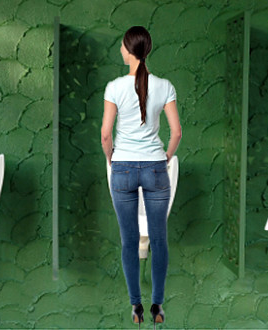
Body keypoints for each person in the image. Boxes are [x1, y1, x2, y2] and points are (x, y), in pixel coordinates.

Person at [101, 26, 182, 328]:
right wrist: (166, 156)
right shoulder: (165, 86)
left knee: (129, 240)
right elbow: (176, 133)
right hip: (155, 168)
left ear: (128, 49)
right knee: (159, 239)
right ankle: (157, 305)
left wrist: (113, 160)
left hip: (122, 167)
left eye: (122, 46)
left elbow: (106, 134)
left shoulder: (114, 87)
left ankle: (135, 305)